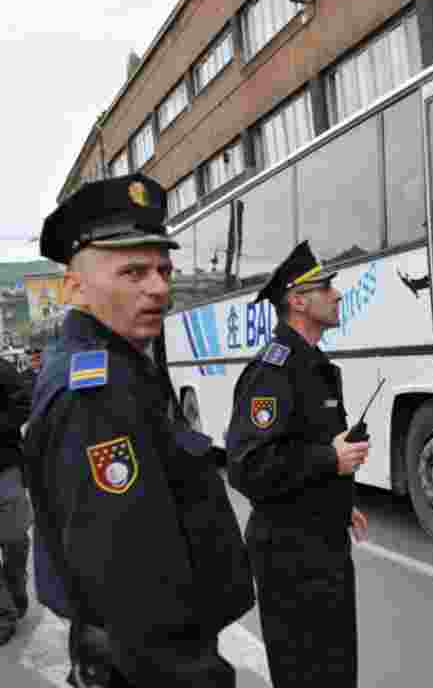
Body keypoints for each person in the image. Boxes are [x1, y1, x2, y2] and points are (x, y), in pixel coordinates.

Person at [23, 174, 254, 687]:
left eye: (163, 269)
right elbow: (132, 580)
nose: (159, 287)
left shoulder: (123, 365)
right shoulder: (98, 393)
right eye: (132, 271)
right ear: (75, 286)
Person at [226, 240, 371, 688]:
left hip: (319, 545)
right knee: (307, 674)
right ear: (298, 300)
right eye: (327, 287)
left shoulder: (311, 365)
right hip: (291, 557)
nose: (338, 294)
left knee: (335, 670)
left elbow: (298, 448)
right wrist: (331, 459)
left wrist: (336, 501)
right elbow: (248, 465)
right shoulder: (274, 371)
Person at [0, 354, 31, 646]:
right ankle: (3, 615)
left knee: (15, 540)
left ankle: (16, 588)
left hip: (5, 468)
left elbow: (23, 402)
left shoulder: (2, 368)